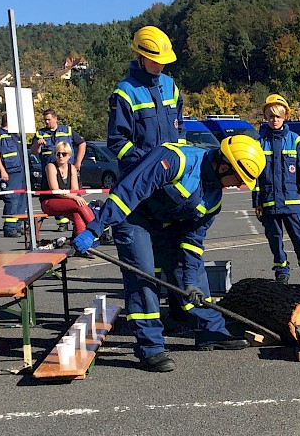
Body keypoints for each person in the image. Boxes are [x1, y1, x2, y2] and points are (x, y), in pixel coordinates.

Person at [72, 137, 262, 371]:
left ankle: (211, 331)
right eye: (239, 180)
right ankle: (151, 348)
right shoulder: (175, 160)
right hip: (135, 218)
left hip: (167, 225)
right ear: (224, 167)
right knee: (144, 278)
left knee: (195, 276)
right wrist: (95, 229)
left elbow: (192, 243)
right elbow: (128, 192)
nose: (238, 186)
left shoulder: (213, 199)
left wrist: (191, 282)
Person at [106, 25, 187, 354]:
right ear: (140, 56)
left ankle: (185, 318)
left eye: (165, 60)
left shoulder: (171, 86)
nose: (162, 66)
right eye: (156, 60)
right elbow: (117, 143)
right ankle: (150, 348)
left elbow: (180, 131)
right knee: (141, 272)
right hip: (139, 193)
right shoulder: (124, 93)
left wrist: (175, 165)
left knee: (178, 261)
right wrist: (147, 163)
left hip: (168, 192)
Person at [253, 94, 300, 288]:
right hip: (269, 203)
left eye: (278, 116)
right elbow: (255, 176)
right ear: (265, 117)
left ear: (285, 117)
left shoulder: (295, 140)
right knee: (275, 242)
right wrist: (256, 202)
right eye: (271, 116)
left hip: (292, 203)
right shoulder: (259, 143)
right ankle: (282, 273)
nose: (275, 120)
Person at [32, 109, 86, 229]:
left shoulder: (67, 130)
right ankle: (63, 224)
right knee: (62, 200)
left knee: (77, 201)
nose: (47, 122)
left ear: (55, 119)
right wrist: (38, 144)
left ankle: (81, 230)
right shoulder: (40, 133)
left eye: (49, 119)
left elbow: (82, 143)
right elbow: (34, 151)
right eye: (45, 120)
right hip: (51, 174)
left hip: (67, 172)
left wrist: (78, 162)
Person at [39, 141, 95, 236]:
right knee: (79, 204)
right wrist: (74, 197)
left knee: (77, 214)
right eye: (58, 154)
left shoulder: (72, 168)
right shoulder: (50, 167)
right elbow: (55, 191)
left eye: (64, 154)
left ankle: (81, 242)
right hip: (49, 202)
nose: (60, 156)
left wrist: (73, 196)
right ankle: (96, 229)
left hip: (66, 201)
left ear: (69, 155)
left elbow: (75, 190)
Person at [0, 115, 27, 237]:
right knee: (12, 199)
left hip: (20, 171)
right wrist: (2, 171)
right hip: (9, 172)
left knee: (22, 199)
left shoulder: (15, 135)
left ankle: (17, 225)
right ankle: (9, 227)